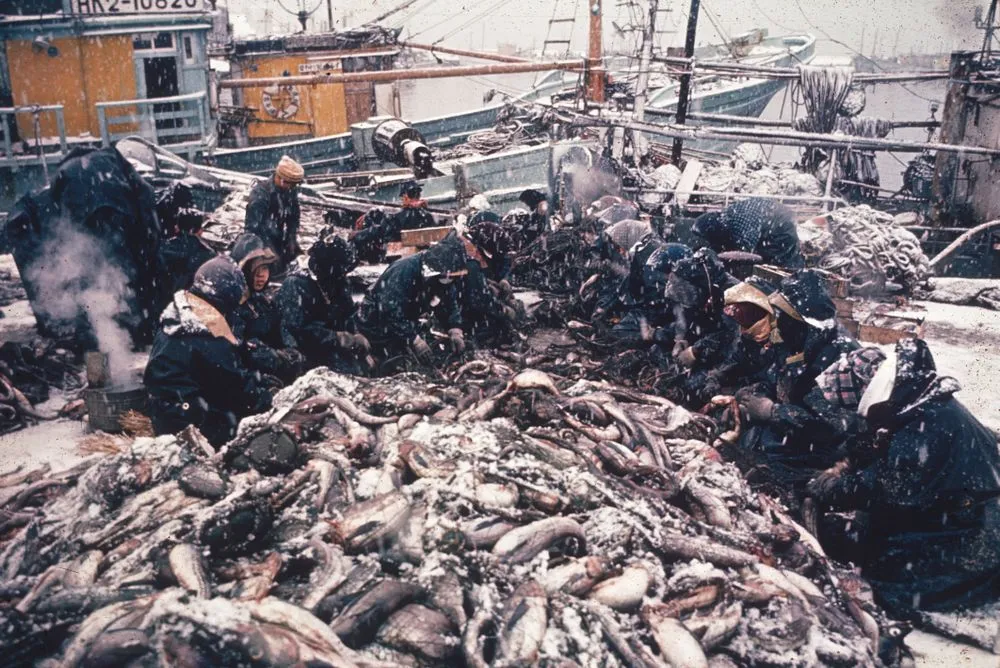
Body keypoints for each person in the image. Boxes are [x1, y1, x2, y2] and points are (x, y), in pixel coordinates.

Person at [808, 338, 1000, 617]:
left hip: (975, 533)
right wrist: (851, 461)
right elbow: (885, 455)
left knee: (885, 581)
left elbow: (885, 487)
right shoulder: (925, 406)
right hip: (964, 513)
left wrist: (832, 487)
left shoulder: (925, 426)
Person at [3, 145, 168, 346]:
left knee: (95, 280)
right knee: (109, 277)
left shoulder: (66, 176)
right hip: (110, 212)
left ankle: (98, 339)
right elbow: (146, 198)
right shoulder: (115, 165)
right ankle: (112, 336)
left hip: (80, 215)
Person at [144, 256, 273, 445]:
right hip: (188, 426)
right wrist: (265, 393)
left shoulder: (180, 317)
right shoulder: (207, 336)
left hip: (165, 414)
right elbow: (233, 387)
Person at [358, 230, 468, 363]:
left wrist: (455, 328)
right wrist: (414, 340)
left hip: (406, 320)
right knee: (391, 362)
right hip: (375, 323)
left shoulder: (442, 276)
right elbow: (389, 311)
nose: (451, 280)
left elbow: (448, 301)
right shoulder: (404, 271)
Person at [278, 230, 371, 372]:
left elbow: (347, 313)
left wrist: (358, 338)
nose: (344, 273)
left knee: (360, 369)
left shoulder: (337, 282)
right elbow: (297, 330)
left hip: (329, 346)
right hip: (299, 350)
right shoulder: (296, 285)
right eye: (341, 269)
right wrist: (338, 338)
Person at [230, 233, 304, 384]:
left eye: (264, 269)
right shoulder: (232, 305)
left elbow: (280, 329)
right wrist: (276, 357)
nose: (261, 276)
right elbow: (241, 351)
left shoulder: (262, 301)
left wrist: (291, 351)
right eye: (254, 270)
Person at [677, 197, 804, 269]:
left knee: (771, 266)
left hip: (778, 226)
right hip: (774, 217)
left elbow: (747, 256)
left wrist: (718, 258)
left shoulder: (739, 227)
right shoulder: (726, 217)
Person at [459, 221, 519, 344]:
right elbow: (478, 299)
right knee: (493, 325)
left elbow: (503, 261)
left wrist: (504, 279)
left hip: (467, 296)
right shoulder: (469, 256)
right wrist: (503, 310)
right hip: (460, 309)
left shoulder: (485, 241)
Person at [245, 155, 304, 273]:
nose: (293, 188)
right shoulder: (260, 194)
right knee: (274, 265)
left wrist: (291, 237)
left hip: (278, 235)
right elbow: (252, 228)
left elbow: (294, 217)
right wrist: (266, 248)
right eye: (291, 184)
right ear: (281, 179)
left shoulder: (290, 190)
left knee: (298, 260)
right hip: (261, 238)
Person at [159, 184, 216, 294]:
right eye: (201, 228)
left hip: (161, 297)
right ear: (195, 230)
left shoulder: (162, 248)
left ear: (177, 228)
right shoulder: (208, 254)